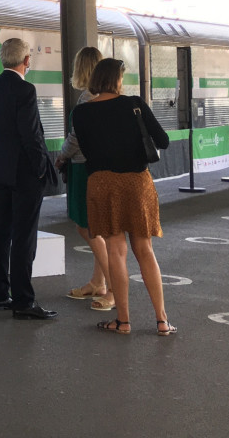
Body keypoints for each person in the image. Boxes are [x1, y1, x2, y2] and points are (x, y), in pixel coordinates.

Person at [70, 57, 176, 337]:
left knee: (116, 251)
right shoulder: (134, 104)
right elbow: (162, 141)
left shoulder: (80, 113)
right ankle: (162, 320)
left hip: (101, 183)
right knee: (145, 250)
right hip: (136, 183)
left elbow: (87, 149)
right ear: (116, 80)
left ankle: (124, 321)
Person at [0, 37, 59, 320]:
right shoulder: (25, 90)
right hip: (25, 174)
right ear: (26, 61)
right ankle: (24, 301)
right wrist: (39, 169)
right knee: (24, 237)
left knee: (2, 232)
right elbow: (32, 135)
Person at [53, 46, 113, 312]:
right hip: (101, 167)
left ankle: (112, 288)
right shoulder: (106, 97)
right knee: (97, 227)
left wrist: (61, 157)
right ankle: (97, 283)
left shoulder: (86, 99)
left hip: (83, 169)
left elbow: (75, 138)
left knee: (86, 227)